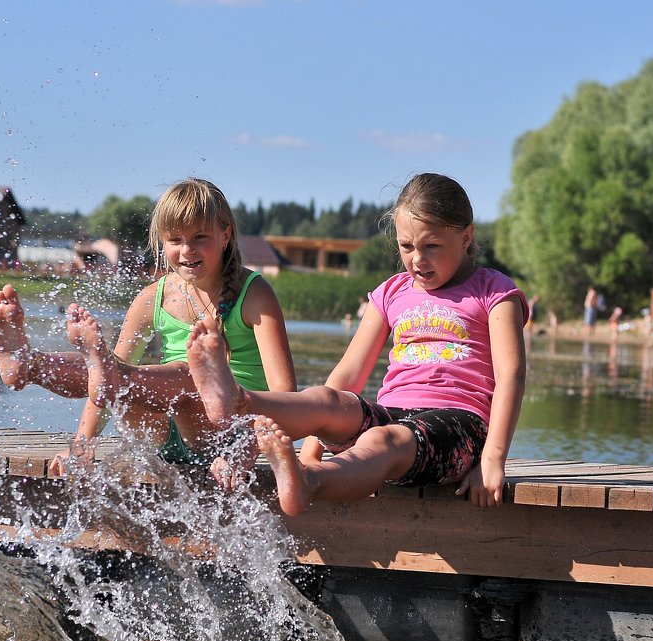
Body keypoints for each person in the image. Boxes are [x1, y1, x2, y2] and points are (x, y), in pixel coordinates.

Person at [184, 172, 527, 515]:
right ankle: (238, 401)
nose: (417, 260)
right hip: (393, 414)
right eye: (406, 246)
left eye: (431, 246)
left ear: (466, 237)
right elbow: (348, 374)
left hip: (459, 427)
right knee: (328, 398)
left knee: (382, 440)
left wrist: (492, 459)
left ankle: (311, 482)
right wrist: (311, 448)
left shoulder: (494, 292)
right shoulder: (392, 291)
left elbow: (511, 377)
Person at [0, 177, 296, 481]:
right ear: (162, 241)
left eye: (200, 237)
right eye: (175, 240)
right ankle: (28, 363)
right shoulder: (152, 298)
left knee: (191, 372)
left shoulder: (253, 293)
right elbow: (103, 381)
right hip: (160, 436)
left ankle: (33, 364)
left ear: (225, 236)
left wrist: (250, 448)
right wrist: (81, 447)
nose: (187, 250)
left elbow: (286, 397)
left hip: (228, 436)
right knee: (114, 376)